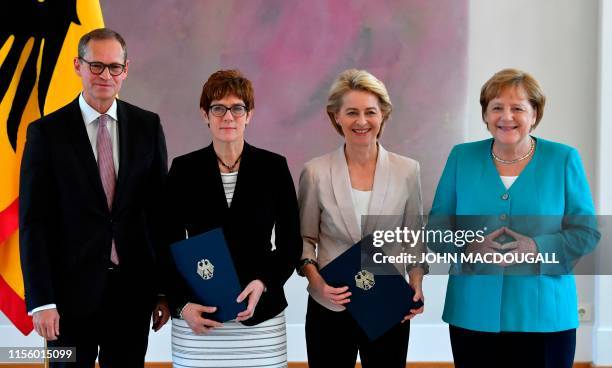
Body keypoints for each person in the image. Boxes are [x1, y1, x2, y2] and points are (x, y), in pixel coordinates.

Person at [428, 68, 599, 368]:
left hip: (545, 313)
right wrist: (467, 247)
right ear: (485, 115)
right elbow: (437, 227)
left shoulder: (563, 159)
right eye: (496, 107)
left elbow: (586, 231)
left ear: (534, 114)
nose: (506, 116)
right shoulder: (461, 158)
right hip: (473, 312)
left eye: (518, 108)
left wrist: (537, 247)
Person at [19, 28, 169, 367]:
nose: (105, 75)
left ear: (126, 70)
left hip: (132, 296)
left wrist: (164, 290)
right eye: (96, 65)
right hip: (67, 301)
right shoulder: (46, 133)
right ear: (78, 65)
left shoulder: (148, 126)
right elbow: (34, 222)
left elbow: (159, 215)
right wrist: (41, 301)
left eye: (114, 67)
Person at [164, 69, 302, 368]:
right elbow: (166, 245)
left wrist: (264, 282)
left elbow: (292, 243)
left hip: (261, 319)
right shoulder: (183, 170)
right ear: (205, 114)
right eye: (218, 108)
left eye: (237, 108)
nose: (228, 117)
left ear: (249, 114)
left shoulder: (273, 168)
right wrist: (181, 304)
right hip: (198, 316)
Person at [297, 68, 427, 368]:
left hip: (387, 303)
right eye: (351, 112)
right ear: (336, 117)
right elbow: (304, 241)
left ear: (383, 115)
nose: (361, 121)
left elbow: (413, 240)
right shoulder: (315, 172)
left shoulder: (407, 171)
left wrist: (416, 283)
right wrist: (317, 284)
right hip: (330, 305)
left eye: (370, 112)